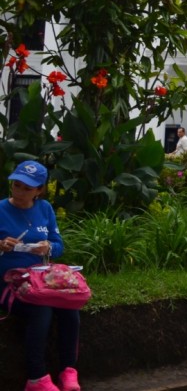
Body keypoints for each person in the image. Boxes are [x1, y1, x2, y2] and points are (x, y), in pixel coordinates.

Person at [0, 161, 80, 391]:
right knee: (41, 311)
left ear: (39, 190)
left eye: (27, 188)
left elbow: (58, 245)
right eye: (17, 185)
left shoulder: (45, 209)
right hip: (8, 282)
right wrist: (2, 245)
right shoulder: (1, 209)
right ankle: (36, 378)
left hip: (41, 280)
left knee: (70, 308)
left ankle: (68, 371)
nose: (20, 192)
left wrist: (47, 248)